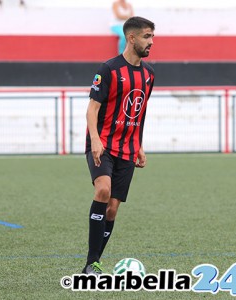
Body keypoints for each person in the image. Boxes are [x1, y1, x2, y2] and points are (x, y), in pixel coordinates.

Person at [82, 16, 155, 275]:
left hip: (128, 148)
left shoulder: (149, 75)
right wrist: (94, 140)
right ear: (131, 38)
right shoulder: (108, 69)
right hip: (103, 145)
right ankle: (91, 264)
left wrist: (140, 146)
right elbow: (92, 110)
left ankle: (96, 261)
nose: (151, 42)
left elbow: (140, 113)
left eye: (153, 37)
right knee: (102, 190)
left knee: (112, 209)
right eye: (147, 37)